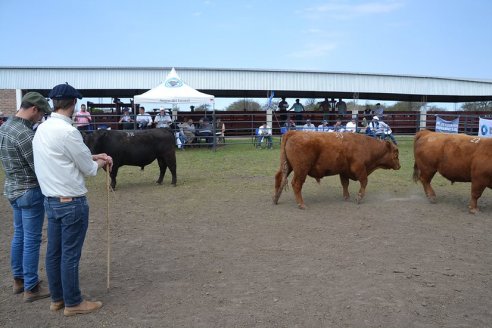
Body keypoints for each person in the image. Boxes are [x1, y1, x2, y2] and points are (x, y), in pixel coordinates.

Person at [32, 83, 113, 316]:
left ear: (53, 103)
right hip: (71, 202)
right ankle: (74, 302)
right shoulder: (69, 132)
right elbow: (88, 169)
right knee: (70, 255)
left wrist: (92, 155)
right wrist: (103, 159)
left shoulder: (42, 129)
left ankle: (58, 298)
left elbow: (64, 157)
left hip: (51, 199)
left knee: (54, 253)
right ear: (73, 103)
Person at [0, 92, 52, 303]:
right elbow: (37, 167)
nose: (41, 118)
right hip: (29, 190)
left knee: (19, 236)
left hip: (12, 188)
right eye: (41, 114)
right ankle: (31, 286)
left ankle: (18, 280)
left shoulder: (5, 127)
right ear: (34, 109)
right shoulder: (25, 135)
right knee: (31, 240)